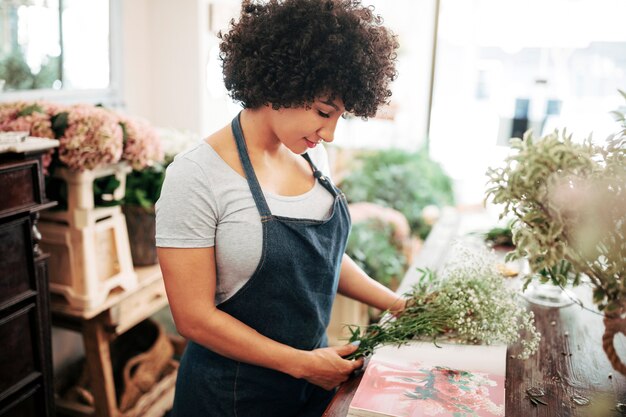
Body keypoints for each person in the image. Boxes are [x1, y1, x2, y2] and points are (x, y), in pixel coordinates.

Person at [156, 0, 401, 415]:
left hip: (312, 381)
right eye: (324, 112)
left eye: (340, 116)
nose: (330, 133)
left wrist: (399, 305)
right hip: (231, 397)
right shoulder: (195, 176)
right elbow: (193, 317)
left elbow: (322, 260)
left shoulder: (309, 157)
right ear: (279, 84)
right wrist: (302, 365)